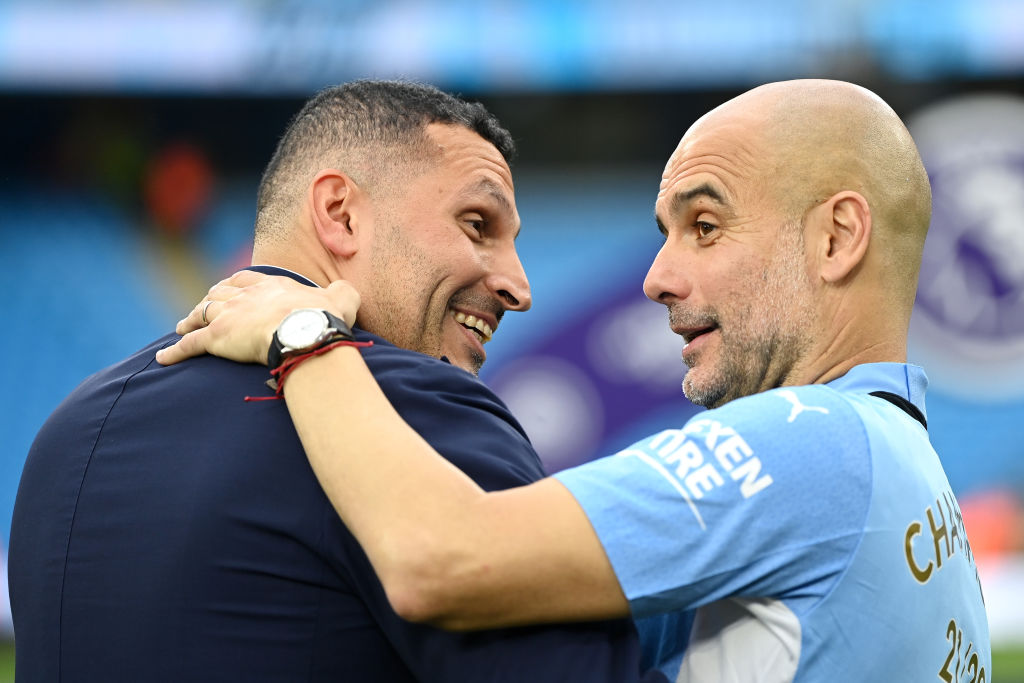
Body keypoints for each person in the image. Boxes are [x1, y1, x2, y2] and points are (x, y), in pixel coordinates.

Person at [160, 79, 991, 682]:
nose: (658, 276)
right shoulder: (902, 471)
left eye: (705, 226)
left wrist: (303, 335)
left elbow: (439, 558)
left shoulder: (818, 443)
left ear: (837, 237)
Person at [9, 80, 665, 683]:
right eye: (477, 225)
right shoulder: (412, 409)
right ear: (340, 212)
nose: (517, 286)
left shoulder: (68, 433)